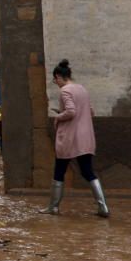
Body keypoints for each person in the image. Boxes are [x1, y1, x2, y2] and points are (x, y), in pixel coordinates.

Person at [40, 60, 109, 217]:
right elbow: (90, 111)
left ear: (59, 76)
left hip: (69, 139)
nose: (56, 83)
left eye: (55, 80)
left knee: (59, 171)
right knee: (87, 171)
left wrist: (58, 116)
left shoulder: (65, 91)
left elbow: (71, 111)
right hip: (85, 138)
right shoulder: (82, 89)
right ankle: (102, 206)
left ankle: (53, 207)